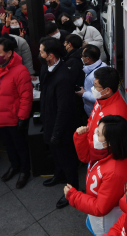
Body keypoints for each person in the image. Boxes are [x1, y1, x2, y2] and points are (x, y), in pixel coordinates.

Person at [65, 115, 127, 235]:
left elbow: (100, 208)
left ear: (110, 142)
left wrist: (73, 196)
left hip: (104, 221)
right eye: (97, 129)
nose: (94, 134)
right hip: (93, 209)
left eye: (99, 134)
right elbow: (85, 157)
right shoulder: (105, 150)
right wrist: (80, 138)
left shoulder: (115, 173)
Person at [0, 37, 32, 189]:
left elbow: (26, 96)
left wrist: (22, 117)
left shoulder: (20, 71)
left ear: (8, 54)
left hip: (14, 117)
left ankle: (25, 170)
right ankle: (14, 166)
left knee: (20, 145)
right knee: (8, 145)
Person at [39, 37, 78, 209]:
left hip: (61, 128)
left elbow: (64, 110)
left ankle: (73, 192)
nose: (39, 54)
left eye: (41, 51)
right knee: (56, 156)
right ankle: (59, 175)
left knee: (68, 160)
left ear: (51, 55)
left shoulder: (63, 77)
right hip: (49, 122)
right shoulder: (45, 68)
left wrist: (56, 133)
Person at [86, 67, 127, 169]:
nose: (93, 89)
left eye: (96, 86)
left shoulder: (116, 115)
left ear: (107, 90)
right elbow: (91, 119)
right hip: (92, 151)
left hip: (100, 158)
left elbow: (111, 148)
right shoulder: (102, 98)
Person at [77, 45, 107, 116]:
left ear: (88, 59)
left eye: (83, 56)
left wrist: (84, 94)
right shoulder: (102, 65)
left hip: (95, 112)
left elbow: (101, 97)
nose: (81, 58)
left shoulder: (97, 75)